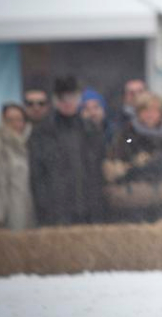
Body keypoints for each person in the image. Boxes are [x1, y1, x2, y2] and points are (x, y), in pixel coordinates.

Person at [28, 76, 106, 225]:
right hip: (56, 211)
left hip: (89, 209)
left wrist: (99, 206)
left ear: (79, 99)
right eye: (62, 98)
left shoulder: (91, 130)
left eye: (72, 97)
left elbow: (98, 171)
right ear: (55, 101)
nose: (68, 102)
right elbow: (37, 176)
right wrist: (44, 208)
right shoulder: (42, 132)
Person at [103, 92, 162, 223]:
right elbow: (123, 149)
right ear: (138, 113)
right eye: (145, 110)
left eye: (154, 111)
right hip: (134, 193)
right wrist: (136, 158)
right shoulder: (128, 134)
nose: (150, 115)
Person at [0, 103, 36, 229]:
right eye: (10, 120)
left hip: (25, 213)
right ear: (2, 120)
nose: (15, 124)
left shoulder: (26, 142)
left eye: (19, 119)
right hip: (5, 217)